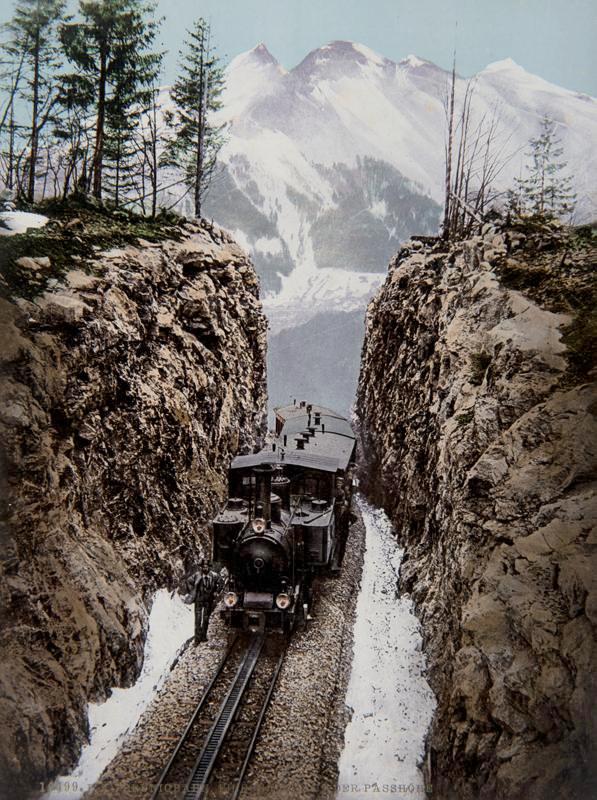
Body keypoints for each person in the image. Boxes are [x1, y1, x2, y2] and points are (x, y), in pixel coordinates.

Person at [183, 559, 222, 644]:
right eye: (203, 566)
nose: (205, 568)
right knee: (198, 619)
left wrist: (216, 591)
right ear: (201, 567)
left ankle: (203, 636)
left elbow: (220, 582)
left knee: (206, 618)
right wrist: (192, 592)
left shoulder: (214, 576)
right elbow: (188, 581)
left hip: (208, 600)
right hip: (199, 600)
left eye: (207, 566)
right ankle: (197, 639)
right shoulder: (197, 575)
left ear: (209, 567)